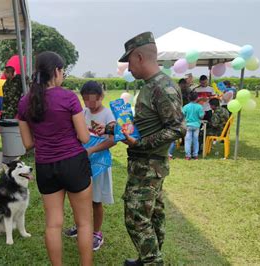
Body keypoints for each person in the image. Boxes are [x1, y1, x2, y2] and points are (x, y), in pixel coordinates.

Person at [97, 32, 185, 265]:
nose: (128, 67)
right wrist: (114, 128)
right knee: (153, 214)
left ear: (139, 57)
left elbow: (177, 129)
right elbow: (144, 125)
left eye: (129, 61)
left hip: (148, 164)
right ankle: (147, 258)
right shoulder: (150, 86)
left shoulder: (162, 88)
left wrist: (140, 143)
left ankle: (152, 262)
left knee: (136, 217)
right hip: (146, 164)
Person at [17, 51, 93, 266]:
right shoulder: (68, 97)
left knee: (53, 224)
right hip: (73, 164)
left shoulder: (24, 102)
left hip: (45, 167)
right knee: (85, 223)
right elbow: (84, 137)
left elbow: (28, 144)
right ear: (57, 71)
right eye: (63, 71)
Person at [63, 81, 116, 251]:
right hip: (83, 162)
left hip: (99, 163)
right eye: (85, 100)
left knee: (96, 200)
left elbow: (113, 140)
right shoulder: (84, 112)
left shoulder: (108, 115)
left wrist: (92, 150)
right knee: (80, 197)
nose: (89, 104)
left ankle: (97, 233)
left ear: (101, 97)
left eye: (93, 101)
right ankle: (80, 226)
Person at [182, 91, 204, 160]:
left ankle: (188, 156)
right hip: (196, 125)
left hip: (188, 125)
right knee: (195, 140)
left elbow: (182, 115)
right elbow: (201, 117)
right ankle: (195, 155)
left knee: (188, 141)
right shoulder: (199, 107)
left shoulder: (186, 106)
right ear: (197, 98)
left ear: (188, 98)